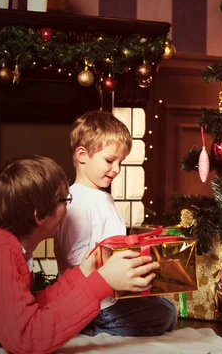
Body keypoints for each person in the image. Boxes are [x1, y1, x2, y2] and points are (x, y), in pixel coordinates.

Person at [0, 155, 159, 353]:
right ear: (39, 215)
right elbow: (26, 339)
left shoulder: (1, 239)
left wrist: (83, 275)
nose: (68, 209)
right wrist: (102, 283)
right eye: (65, 201)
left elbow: (28, 309)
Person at [55, 110, 177, 337]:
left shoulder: (102, 196)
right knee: (166, 315)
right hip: (94, 303)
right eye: (110, 160)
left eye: (120, 162)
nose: (117, 169)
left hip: (111, 296)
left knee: (167, 309)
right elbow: (76, 262)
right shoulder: (77, 201)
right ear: (82, 155)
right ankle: (89, 324)